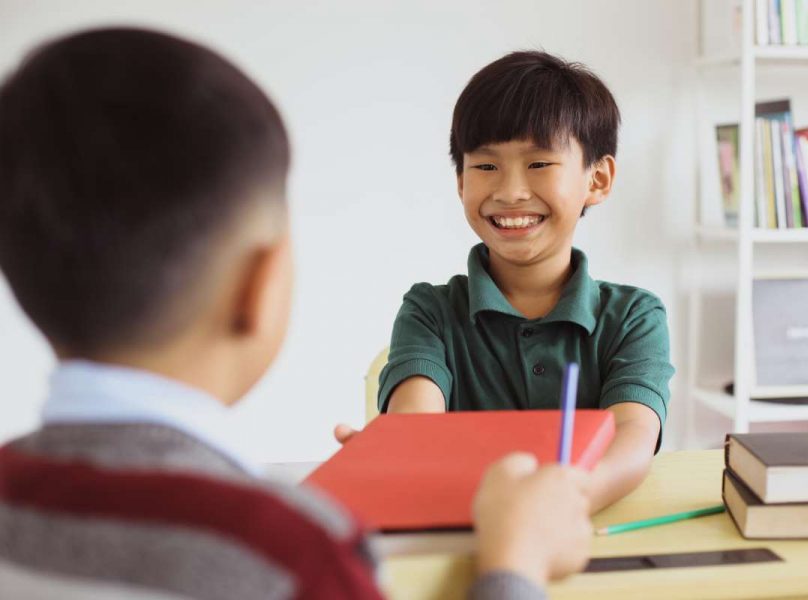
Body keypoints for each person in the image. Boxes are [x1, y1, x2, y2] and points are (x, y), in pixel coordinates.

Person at [0, 29, 592, 599]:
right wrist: (515, 563)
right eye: (485, 165)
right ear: (258, 286)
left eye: (539, 164)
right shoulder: (293, 553)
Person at [337, 51, 675, 514]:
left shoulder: (635, 316)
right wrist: (401, 453)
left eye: (539, 164)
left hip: (586, 532)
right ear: (460, 181)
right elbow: (416, 423)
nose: (510, 191)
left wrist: (566, 499)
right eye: (486, 166)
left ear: (596, 179)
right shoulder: (428, 311)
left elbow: (633, 434)